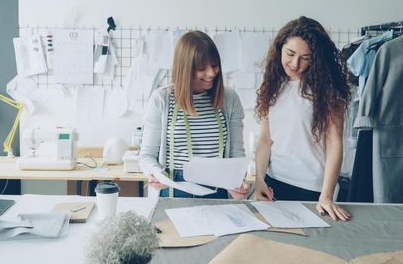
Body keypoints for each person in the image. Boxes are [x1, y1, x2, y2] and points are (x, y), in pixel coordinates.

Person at [254, 16, 352, 221]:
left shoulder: (328, 91)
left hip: (312, 188)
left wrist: (326, 195)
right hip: (275, 182)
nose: (295, 63)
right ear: (280, 47)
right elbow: (266, 140)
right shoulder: (273, 84)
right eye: (290, 54)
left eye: (305, 58)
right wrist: (259, 179)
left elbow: (334, 144)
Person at [139, 30, 250, 199]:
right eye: (201, 68)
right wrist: (154, 172)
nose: (211, 73)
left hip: (217, 188)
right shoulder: (161, 99)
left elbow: (237, 153)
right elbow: (146, 155)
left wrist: (238, 181)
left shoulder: (230, 99)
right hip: (174, 188)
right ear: (185, 69)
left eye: (214, 65)